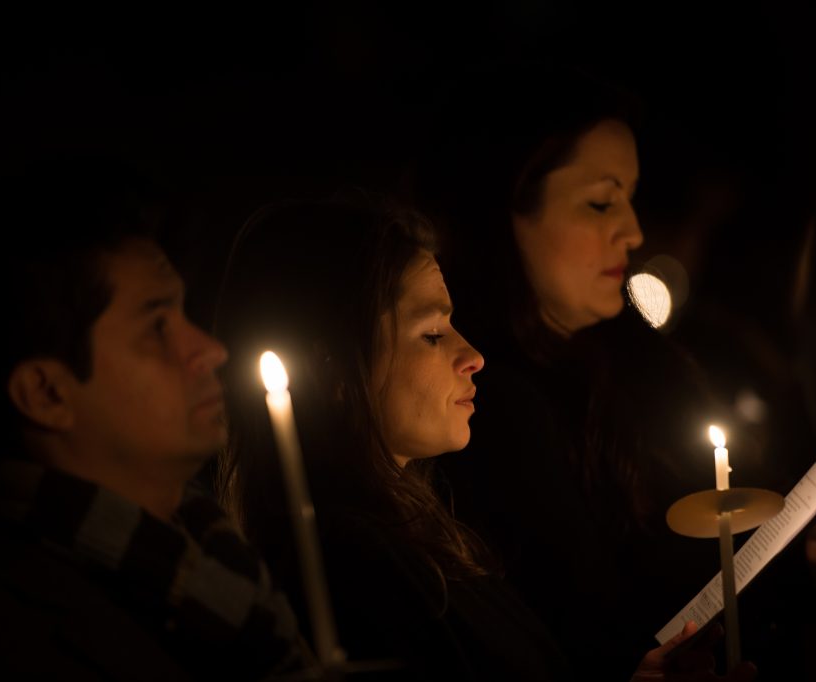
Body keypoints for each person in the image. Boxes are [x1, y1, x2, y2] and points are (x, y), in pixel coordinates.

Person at [213, 195, 744, 681]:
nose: (473, 357)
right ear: (330, 372)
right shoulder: (349, 568)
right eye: (433, 335)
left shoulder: (418, 532)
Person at [408, 63, 753, 680]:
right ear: (503, 210)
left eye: (630, 195)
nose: (634, 230)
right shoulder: (473, 403)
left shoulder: (639, 361)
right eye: (600, 202)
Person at [0, 158, 306, 680]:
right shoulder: (10, 640)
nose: (210, 350)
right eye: (156, 327)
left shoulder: (218, 576)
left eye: (185, 316)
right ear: (47, 393)